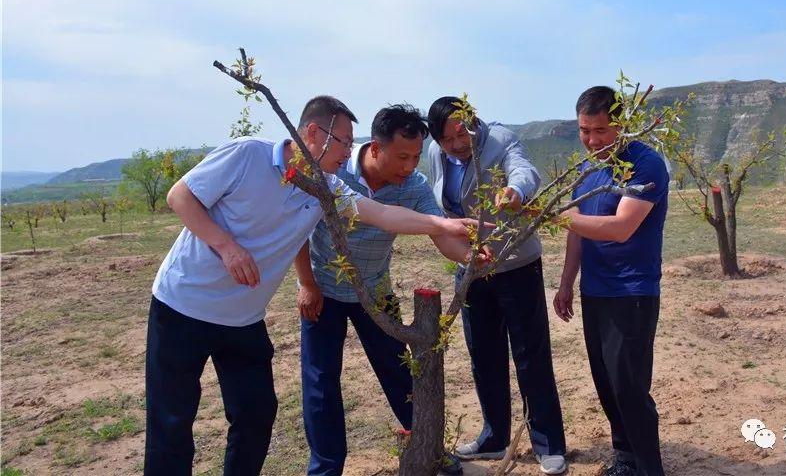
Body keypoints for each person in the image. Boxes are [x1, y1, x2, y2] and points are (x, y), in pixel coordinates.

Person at [144, 96, 481, 476]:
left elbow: (383, 214)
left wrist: (446, 225)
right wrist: (226, 246)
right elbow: (180, 196)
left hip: (244, 320)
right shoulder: (248, 155)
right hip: (183, 307)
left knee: (255, 415)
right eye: (342, 141)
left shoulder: (327, 188)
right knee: (172, 423)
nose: (348, 150)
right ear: (312, 133)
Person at [300, 104, 474, 476]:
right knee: (320, 385)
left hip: (376, 294)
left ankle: (431, 449)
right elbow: (297, 228)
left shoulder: (413, 187)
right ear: (375, 149)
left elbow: (439, 231)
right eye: (402, 157)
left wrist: (472, 259)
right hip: (324, 293)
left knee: (400, 372)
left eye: (415, 157)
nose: (409, 166)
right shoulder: (333, 171)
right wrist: (307, 283)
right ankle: (325, 469)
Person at [426, 97, 567, 476]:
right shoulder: (436, 154)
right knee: (483, 354)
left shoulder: (500, 140)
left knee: (530, 355)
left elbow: (524, 170)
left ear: (473, 122)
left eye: (462, 133)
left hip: (516, 263)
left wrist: (515, 193)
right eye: (447, 138)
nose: (457, 144)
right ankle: (494, 435)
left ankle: (548, 443)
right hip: (472, 267)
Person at [552, 86, 670, 476]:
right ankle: (625, 456)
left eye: (601, 131)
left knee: (629, 385)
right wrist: (567, 281)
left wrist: (552, 216)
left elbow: (620, 228)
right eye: (585, 131)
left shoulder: (645, 165)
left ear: (621, 125)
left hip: (632, 291)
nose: (592, 140)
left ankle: (649, 467)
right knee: (605, 380)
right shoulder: (587, 171)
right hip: (595, 291)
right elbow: (578, 231)